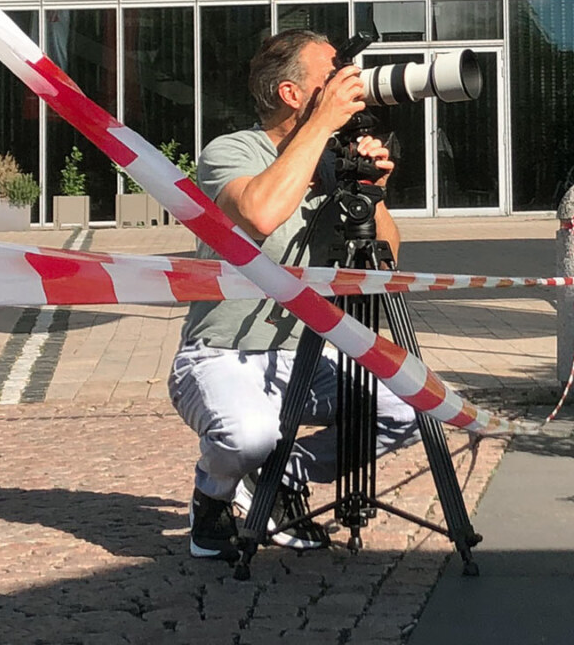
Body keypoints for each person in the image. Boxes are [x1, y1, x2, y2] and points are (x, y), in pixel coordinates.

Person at [168, 29, 420, 561]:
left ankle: (273, 481)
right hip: (225, 353)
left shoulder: (334, 158)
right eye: (332, 75)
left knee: (410, 406)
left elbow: (388, 261)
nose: (348, 83)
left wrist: (370, 194)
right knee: (248, 434)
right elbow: (259, 212)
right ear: (291, 94)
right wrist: (324, 127)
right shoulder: (231, 151)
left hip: (308, 354)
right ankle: (211, 497)